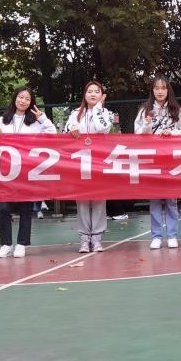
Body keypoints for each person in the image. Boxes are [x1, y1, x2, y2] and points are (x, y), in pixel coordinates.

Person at [0, 86, 58, 257]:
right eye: (21, 97)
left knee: (25, 208)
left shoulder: (36, 123)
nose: (23, 101)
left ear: (31, 102)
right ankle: (6, 244)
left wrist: (43, 119)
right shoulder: (1, 121)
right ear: (15, 98)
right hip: (5, 173)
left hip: (26, 172)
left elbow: (52, 134)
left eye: (27, 99)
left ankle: (22, 244)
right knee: (4, 208)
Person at [134, 76, 181, 249]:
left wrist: (173, 133)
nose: (160, 91)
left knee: (171, 199)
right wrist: (147, 125)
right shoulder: (145, 110)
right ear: (152, 90)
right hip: (152, 160)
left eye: (163, 88)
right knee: (154, 199)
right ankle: (156, 236)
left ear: (168, 90)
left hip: (171, 159)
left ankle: (172, 235)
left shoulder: (176, 109)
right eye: (156, 88)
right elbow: (137, 133)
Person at [65, 80, 116, 252]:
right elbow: (67, 131)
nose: (93, 94)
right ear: (84, 94)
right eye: (90, 91)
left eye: (97, 91)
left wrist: (98, 109)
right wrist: (72, 130)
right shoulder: (75, 113)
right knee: (82, 201)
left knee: (99, 200)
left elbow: (103, 129)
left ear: (102, 95)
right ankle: (84, 239)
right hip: (80, 163)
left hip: (99, 162)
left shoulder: (106, 113)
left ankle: (97, 238)